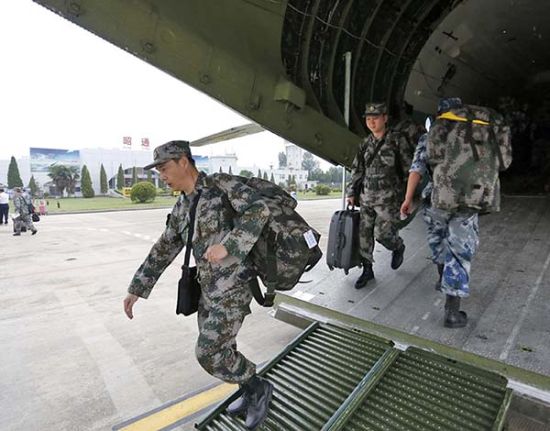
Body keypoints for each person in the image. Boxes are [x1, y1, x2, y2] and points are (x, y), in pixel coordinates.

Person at [123, 140, 273, 430]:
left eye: (165, 168)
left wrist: (228, 246)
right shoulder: (182, 206)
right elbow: (164, 247)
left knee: (208, 352)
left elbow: (259, 210)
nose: (161, 176)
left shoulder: (220, 186)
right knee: (223, 346)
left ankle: (257, 388)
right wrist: (136, 288)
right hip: (207, 290)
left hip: (233, 288)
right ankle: (246, 388)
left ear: (183, 162)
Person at [401, 97, 512, 328]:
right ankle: (452, 312)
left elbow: (417, 169)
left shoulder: (430, 136)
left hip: (435, 200)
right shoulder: (480, 132)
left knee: (438, 243)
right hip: (467, 201)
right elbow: (503, 163)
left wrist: (408, 198)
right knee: (459, 253)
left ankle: (442, 277)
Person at [346, 102, 413, 289]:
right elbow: (357, 169)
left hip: (389, 199)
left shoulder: (397, 141)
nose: (371, 122)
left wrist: (409, 196)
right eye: (368, 119)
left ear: (385, 118)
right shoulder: (365, 144)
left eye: (375, 118)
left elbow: (410, 169)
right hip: (367, 197)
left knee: (383, 235)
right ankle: (367, 270)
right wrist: (352, 192)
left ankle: (397, 246)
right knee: (364, 235)